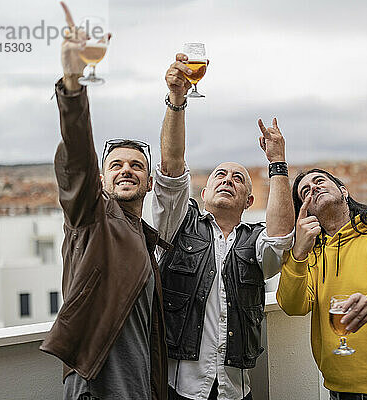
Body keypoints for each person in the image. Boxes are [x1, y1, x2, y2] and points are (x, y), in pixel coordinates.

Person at [39, 3, 168, 399]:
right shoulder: (92, 218)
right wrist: (73, 86)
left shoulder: (144, 238)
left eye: (136, 166)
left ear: (148, 184)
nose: (126, 170)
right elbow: (77, 158)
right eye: (116, 165)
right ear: (101, 179)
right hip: (97, 388)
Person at [153, 53, 295, 400]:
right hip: (179, 388)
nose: (227, 180)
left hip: (235, 390)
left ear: (249, 200)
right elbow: (171, 169)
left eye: (238, 178)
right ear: (203, 193)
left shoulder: (255, 241)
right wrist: (176, 101)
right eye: (220, 174)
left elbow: (280, 238)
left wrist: (277, 162)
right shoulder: (178, 227)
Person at [277, 168, 367, 400]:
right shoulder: (309, 254)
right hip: (338, 388)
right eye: (305, 191)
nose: (313, 188)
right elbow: (294, 306)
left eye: (319, 181)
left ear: (343, 190)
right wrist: (298, 254)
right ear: (307, 210)